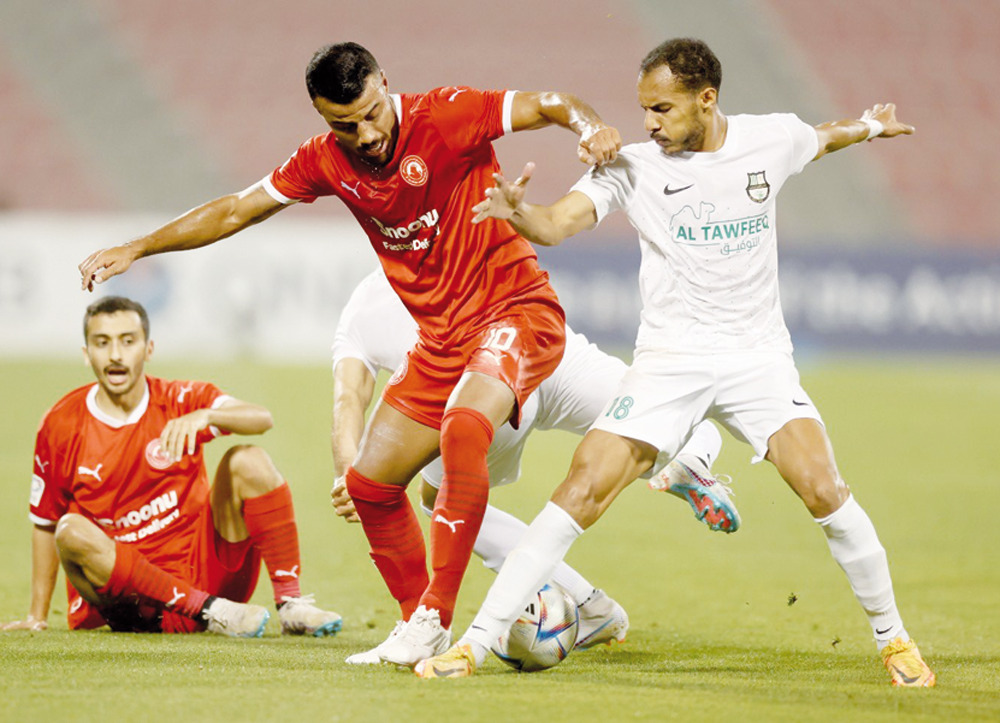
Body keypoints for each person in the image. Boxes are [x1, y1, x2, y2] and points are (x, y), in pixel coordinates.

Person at [77, 42, 622, 666]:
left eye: (370, 113)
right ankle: (421, 625)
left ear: (384, 83)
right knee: (368, 484)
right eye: (344, 124)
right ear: (321, 116)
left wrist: (591, 126)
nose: (364, 134)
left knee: (465, 428)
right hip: (442, 340)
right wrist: (139, 247)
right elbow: (234, 210)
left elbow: (548, 103)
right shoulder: (324, 160)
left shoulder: (446, 114)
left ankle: (453, 623)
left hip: (516, 312)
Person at [416, 38, 935, 688]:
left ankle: (895, 641)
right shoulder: (632, 166)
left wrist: (870, 126)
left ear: (706, 98)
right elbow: (555, 223)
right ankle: (474, 643)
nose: (649, 123)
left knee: (825, 490)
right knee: (581, 488)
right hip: (670, 361)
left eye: (661, 108)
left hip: (757, 359)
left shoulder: (768, 140)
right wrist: (518, 212)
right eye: (643, 110)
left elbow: (821, 137)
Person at [328, 269, 740, 662]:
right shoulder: (462, 248)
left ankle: (587, 606)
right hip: (555, 354)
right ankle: (692, 459)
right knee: (667, 407)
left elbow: (349, 397)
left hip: (484, 393)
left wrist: (347, 469)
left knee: (441, 497)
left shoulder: (364, 308)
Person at [1, 296, 341, 637]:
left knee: (248, 460)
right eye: (102, 343)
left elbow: (260, 419)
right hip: (135, 599)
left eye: (128, 341)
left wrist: (207, 415)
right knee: (69, 529)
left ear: (148, 349)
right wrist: (36, 615)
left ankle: (291, 605)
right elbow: (45, 522)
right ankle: (210, 611)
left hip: (204, 572)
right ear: (86, 352)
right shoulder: (61, 424)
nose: (116, 354)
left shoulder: (178, 401)